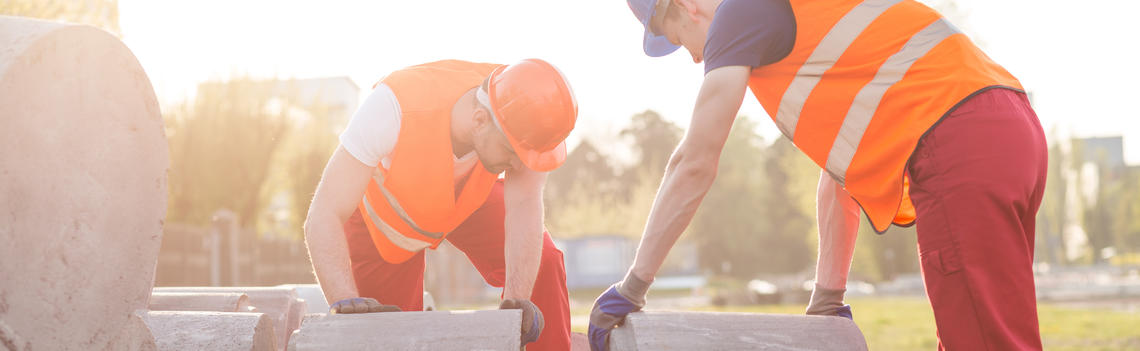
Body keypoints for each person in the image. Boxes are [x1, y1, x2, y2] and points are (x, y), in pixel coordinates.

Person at [589, 0, 1046, 350]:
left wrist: (633, 286)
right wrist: (828, 298)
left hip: (958, 140)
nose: (690, 58)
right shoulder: (811, 29)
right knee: (994, 330)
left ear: (686, 5)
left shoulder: (737, 14)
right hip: (1011, 124)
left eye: (675, 37)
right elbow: (842, 176)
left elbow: (694, 162)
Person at [303, 58, 578, 350]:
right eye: (512, 153)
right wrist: (344, 300)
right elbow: (324, 214)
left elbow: (524, 205)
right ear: (479, 120)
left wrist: (517, 304)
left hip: (466, 198)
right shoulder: (392, 106)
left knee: (543, 264)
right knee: (384, 336)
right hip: (390, 218)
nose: (519, 165)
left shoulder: (527, 113)